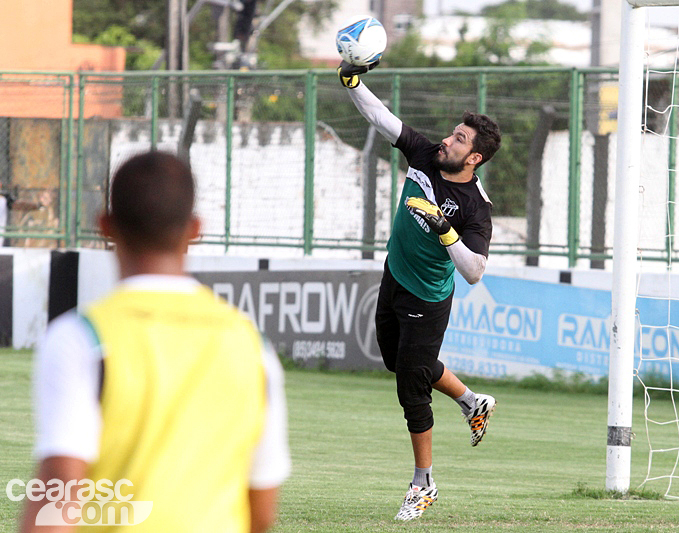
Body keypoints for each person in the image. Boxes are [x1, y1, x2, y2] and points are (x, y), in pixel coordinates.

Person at [19, 151, 290, 532]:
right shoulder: (251, 344)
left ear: (105, 226)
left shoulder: (80, 338)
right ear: (195, 229)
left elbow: (61, 493)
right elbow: (261, 508)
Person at [338, 61, 501, 521]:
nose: (448, 140)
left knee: (411, 386)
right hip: (395, 276)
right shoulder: (427, 155)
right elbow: (379, 115)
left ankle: (423, 482)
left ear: (474, 159)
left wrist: (446, 230)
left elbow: (474, 273)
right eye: (453, 133)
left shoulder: (475, 209)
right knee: (399, 363)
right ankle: (472, 400)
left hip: (427, 299)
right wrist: (352, 81)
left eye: (460, 139)